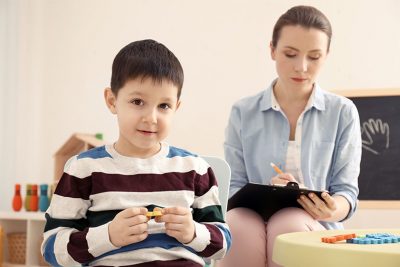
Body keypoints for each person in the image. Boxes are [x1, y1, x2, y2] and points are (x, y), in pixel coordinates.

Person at [41, 39, 231, 267]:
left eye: (164, 106)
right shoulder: (83, 169)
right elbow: (52, 249)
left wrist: (193, 232)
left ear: (176, 108)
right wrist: (108, 236)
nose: (151, 118)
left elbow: (221, 245)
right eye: (137, 101)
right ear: (112, 101)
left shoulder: (195, 169)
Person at [218, 5, 361, 267]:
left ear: (326, 56)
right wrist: (269, 193)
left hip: (313, 223)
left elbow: (347, 193)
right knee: (236, 225)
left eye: (314, 57)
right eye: (291, 54)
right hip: (250, 219)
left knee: (289, 224)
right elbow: (234, 187)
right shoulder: (243, 111)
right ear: (272, 50)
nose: (302, 67)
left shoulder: (342, 112)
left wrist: (331, 208)